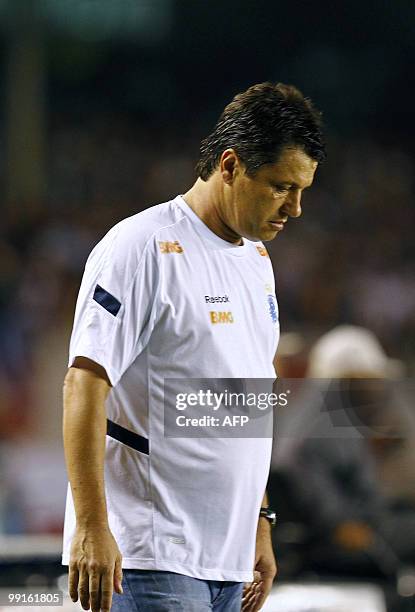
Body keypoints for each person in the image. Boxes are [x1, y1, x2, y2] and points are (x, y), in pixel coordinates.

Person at [62, 82, 325, 612]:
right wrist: (92, 527)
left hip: (228, 562)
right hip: (148, 557)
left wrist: (261, 521)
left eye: (302, 191)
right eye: (280, 187)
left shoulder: (256, 263)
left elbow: (244, 403)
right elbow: (83, 384)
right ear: (229, 166)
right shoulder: (140, 248)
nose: (295, 208)